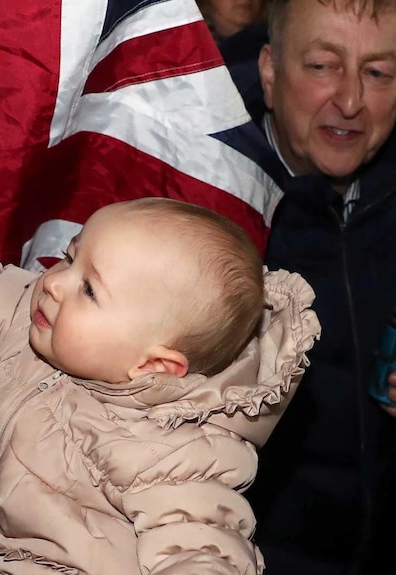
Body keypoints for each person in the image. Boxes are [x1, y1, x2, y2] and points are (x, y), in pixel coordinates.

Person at [0, 159, 319, 574]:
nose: (55, 284)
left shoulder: (172, 452)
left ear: (153, 363)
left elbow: (203, 546)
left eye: (90, 289)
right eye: (72, 257)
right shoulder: (30, 325)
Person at [231, 1, 396, 573]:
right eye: (324, 65)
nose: (351, 100)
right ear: (270, 71)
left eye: (378, 73)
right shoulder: (208, 200)